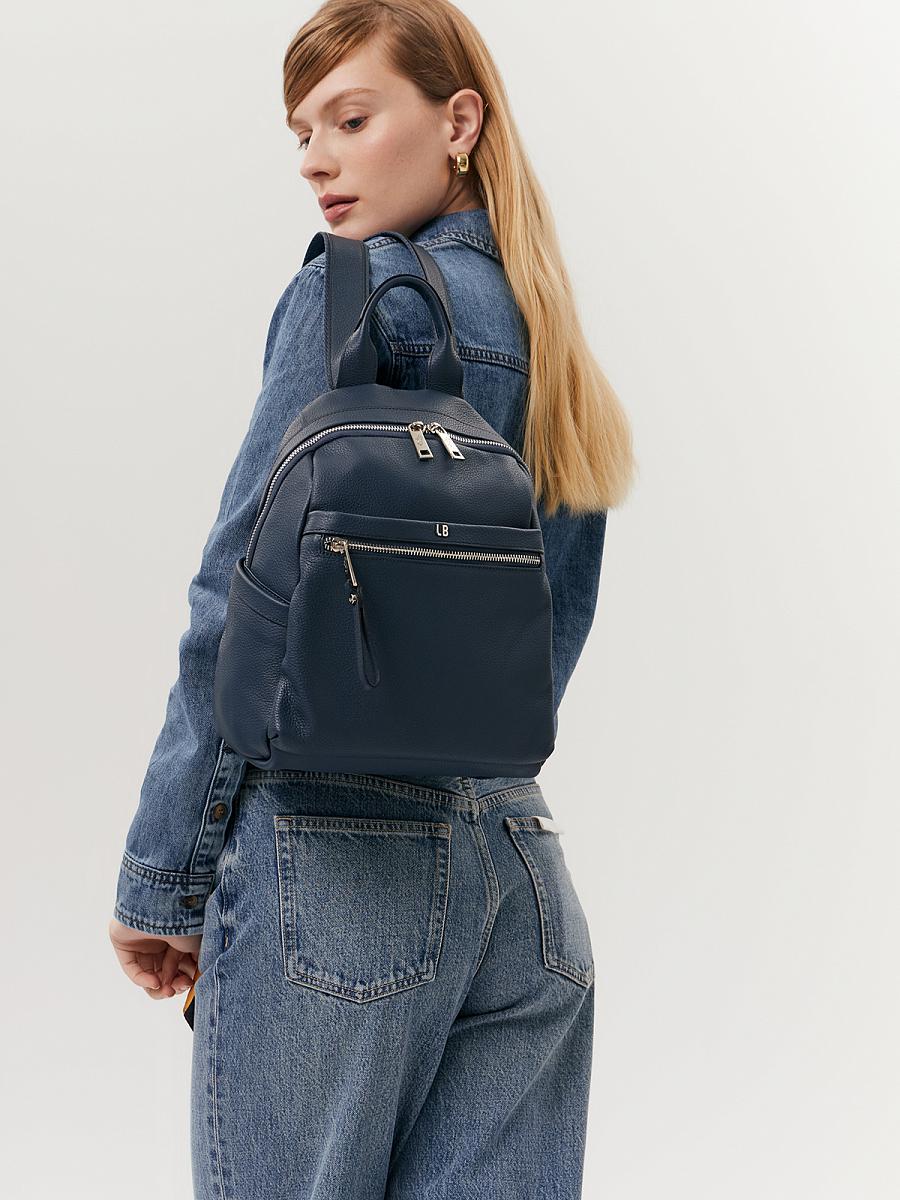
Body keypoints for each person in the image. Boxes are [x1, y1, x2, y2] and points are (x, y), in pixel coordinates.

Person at [109, 1, 634, 1195]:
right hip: (525, 886)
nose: (315, 159)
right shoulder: (546, 329)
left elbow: (239, 598)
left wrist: (162, 876)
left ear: (459, 121)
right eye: (302, 132)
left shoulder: (356, 300)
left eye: (351, 118)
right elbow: (547, 627)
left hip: (337, 879)